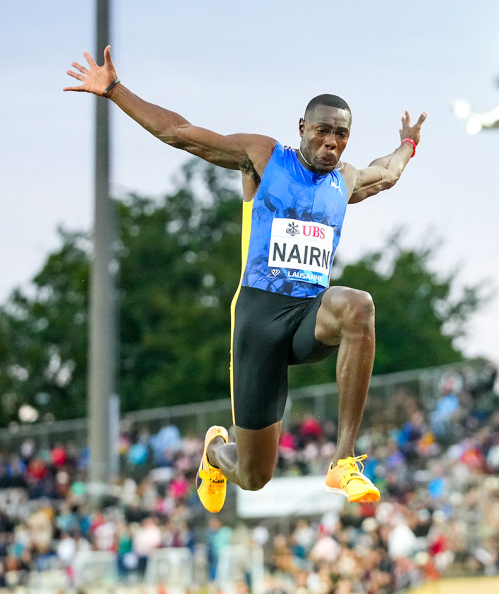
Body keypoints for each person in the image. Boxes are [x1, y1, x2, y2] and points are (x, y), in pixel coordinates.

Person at [64, 47, 426, 511]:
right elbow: (180, 133)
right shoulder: (263, 156)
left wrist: (409, 144)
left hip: (308, 317)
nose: (331, 143)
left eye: (341, 134)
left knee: (358, 304)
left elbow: (390, 172)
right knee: (255, 477)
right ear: (302, 128)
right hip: (258, 318)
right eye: (322, 131)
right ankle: (215, 452)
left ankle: (344, 461)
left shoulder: (347, 179)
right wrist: (114, 90)